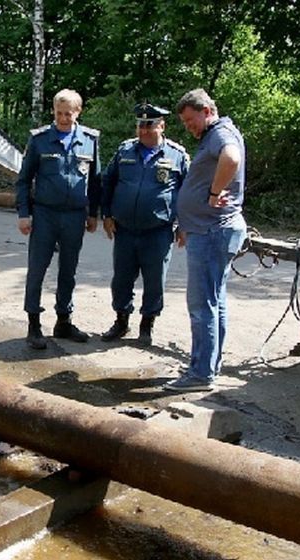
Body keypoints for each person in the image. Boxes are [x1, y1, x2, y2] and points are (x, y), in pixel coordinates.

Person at [167, 88, 247, 392]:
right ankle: (208, 365)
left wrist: (214, 193)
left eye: (191, 120)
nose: (189, 127)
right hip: (210, 229)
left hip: (214, 231)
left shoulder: (220, 133)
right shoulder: (214, 135)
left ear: (207, 111)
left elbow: (231, 158)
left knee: (202, 305)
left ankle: (200, 374)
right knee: (214, 302)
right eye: (185, 123)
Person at [15, 89, 101, 350]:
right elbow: (23, 180)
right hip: (45, 215)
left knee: (68, 271)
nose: (64, 118)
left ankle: (64, 320)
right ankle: (34, 325)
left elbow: (96, 181)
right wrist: (23, 214)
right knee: (37, 270)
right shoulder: (40, 140)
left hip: (75, 216)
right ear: (53, 111)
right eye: (59, 113)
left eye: (69, 113)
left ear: (78, 112)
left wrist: (94, 213)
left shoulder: (90, 140)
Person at [100, 103, 188, 346]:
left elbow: (188, 192)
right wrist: (106, 214)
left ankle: (147, 324)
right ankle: (121, 321)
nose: (144, 130)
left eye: (149, 125)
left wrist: (184, 225)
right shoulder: (125, 151)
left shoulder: (177, 155)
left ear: (162, 126)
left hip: (158, 231)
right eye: (140, 125)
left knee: (154, 280)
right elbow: (108, 182)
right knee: (121, 279)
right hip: (125, 229)